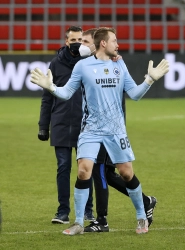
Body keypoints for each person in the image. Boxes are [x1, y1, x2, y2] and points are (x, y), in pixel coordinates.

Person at [30, 27, 169, 235]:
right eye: (114, 40)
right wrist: (51, 87)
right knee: (84, 170)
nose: (118, 44)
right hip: (91, 129)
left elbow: (135, 94)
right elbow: (67, 93)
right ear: (103, 43)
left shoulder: (119, 64)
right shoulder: (83, 67)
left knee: (126, 172)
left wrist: (150, 79)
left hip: (116, 130)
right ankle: (78, 222)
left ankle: (141, 216)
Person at [80, 28, 157, 233]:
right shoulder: (81, 65)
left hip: (108, 127)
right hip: (85, 125)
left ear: (97, 43)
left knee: (103, 171)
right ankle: (144, 201)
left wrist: (148, 79)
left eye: (85, 41)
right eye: (78, 41)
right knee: (99, 171)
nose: (82, 45)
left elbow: (131, 92)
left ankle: (102, 219)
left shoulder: (113, 63)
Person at [38, 26, 94, 224]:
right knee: (63, 168)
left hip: (85, 125)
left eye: (80, 39)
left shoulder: (90, 63)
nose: (77, 43)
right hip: (60, 123)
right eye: (73, 40)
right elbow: (47, 97)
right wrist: (43, 126)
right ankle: (63, 211)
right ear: (66, 42)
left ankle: (88, 210)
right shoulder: (55, 64)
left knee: (86, 169)